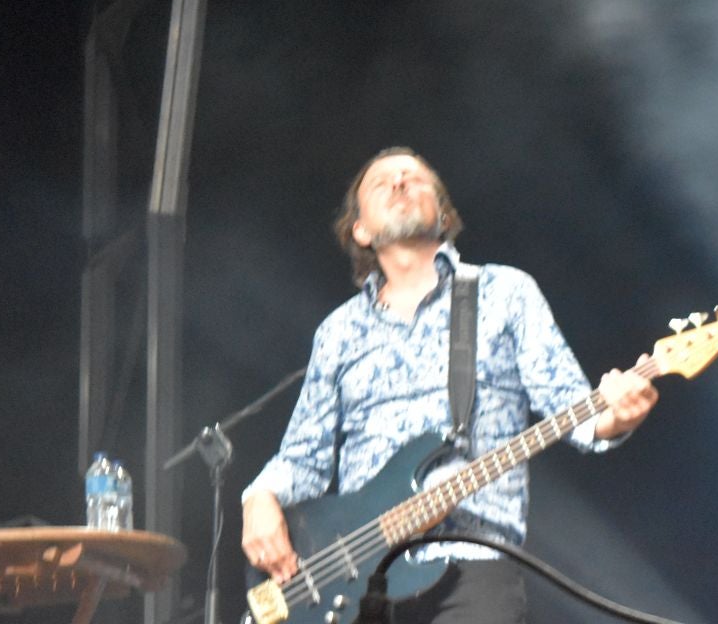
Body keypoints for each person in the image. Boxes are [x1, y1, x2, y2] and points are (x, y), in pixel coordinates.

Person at [241, 147, 657, 624]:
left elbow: (572, 405)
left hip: (472, 571)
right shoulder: (337, 333)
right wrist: (259, 499)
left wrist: (614, 416)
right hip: (356, 583)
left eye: (416, 179)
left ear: (442, 215)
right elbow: (303, 456)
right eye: (383, 183)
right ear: (361, 230)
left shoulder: (505, 294)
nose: (400, 183)